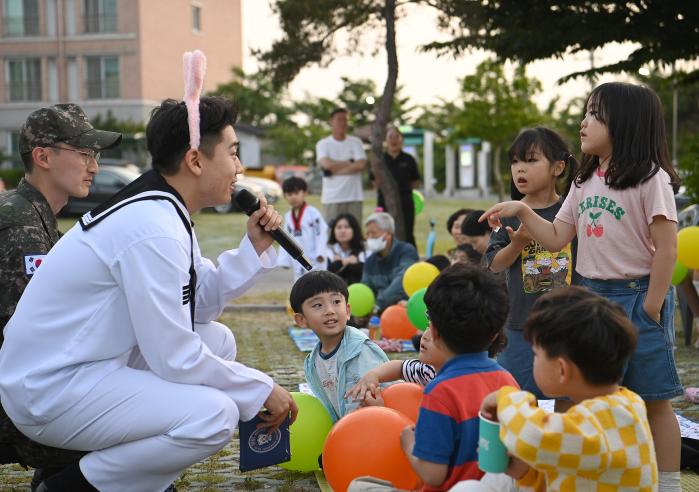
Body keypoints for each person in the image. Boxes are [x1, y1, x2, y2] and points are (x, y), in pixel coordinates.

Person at [0, 95, 298, 492]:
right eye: (233, 152)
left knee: (218, 341)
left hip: (85, 362)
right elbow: (174, 355)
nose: (240, 168)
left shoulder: (163, 209)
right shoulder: (153, 226)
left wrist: (252, 249)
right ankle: (69, 486)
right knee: (214, 415)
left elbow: (199, 306)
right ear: (195, 161)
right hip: (49, 387)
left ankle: (126, 476)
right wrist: (261, 387)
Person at [481, 81, 682, 492]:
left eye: (594, 114)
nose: (583, 122)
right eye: (586, 112)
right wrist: (521, 210)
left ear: (624, 124)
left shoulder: (649, 178)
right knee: (586, 392)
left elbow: (667, 248)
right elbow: (556, 236)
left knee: (654, 398)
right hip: (592, 295)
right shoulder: (584, 181)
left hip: (639, 294)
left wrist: (654, 305)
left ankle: (669, 483)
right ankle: (585, 473)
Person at [0, 104, 122, 490]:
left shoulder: (35, 218)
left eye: (95, 155)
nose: (95, 166)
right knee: (129, 433)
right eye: (84, 153)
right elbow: (29, 338)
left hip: (19, 387)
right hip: (12, 402)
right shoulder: (21, 227)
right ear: (43, 157)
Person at [348, 263, 518, 491]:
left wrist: (408, 443)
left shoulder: (440, 391)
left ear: (435, 330)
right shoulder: (508, 381)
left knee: (359, 486)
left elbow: (433, 475)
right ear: (494, 333)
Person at [470, 287, 656, 492]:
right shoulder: (625, 404)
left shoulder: (598, 422)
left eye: (536, 354)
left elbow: (532, 435)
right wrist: (525, 473)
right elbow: (572, 477)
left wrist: (507, 399)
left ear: (562, 370)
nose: (534, 360)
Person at [485, 127, 579, 401]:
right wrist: (517, 244)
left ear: (558, 167)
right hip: (520, 326)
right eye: (515, 162)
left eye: (530, 160)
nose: (519, 169)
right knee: (519, 398)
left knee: (567, 398)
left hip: (569, 323)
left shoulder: (571, 211)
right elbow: (493, 265)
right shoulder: (509, 212)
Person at [290, 270, 388, 422]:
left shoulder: (360, 350)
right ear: (301, 320)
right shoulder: (313, 362)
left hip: (375, 427)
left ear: (347, 311)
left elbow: (366, 404)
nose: (330, 311)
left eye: (336, 302)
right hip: (348, 430)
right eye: (318, 305)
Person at [370, 127, 421, 247]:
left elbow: (415, 181)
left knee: (407, 232)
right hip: (384, 202)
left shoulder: (409, 159)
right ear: (385, 141)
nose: (394, 140)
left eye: (396, 137)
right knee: (384, 231)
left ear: (401, 140)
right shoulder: (379, 160)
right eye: (390, 137)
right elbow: (374, 182)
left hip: (405, 202)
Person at [316, 107, 367, 223]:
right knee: (331, 235)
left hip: (354, 197)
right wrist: (349, 162)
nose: (343, 123)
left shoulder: (356, 142)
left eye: (345, 120)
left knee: (355, 235)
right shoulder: (323, 144)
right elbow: (327, 165)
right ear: (331, 122)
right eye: (339, 119)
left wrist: (335, 170)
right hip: (331, 198)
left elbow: (360, 165)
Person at [361, 212, 418, 312]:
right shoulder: (370, 261)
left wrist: (377, 306)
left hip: (403, 311)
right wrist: (362, 312)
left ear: (388, 234)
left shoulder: (406, 252)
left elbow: (402, 282)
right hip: (378, 315)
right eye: (367, 233)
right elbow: (365, 289)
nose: (369, 237)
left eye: (373, 233)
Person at [277, 176, 328, 280]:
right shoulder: (288, 217)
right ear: (285, 196)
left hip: (315, 259)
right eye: (289, 194)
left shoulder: (313, 213)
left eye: (296, 193)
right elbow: (285, 239)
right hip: (298, 262)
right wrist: (284, 260)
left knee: (318, 286)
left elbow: (321, 233)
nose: (293, 197)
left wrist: (320, 253)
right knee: (300, 289)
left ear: (305, 193)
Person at [327, 212, 367, 285]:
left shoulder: (365, 249)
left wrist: (341, 263)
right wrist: (344, 262)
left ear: (354, 229)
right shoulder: (329, 250)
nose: (342, 231)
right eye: (339, 227)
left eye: (347, 227)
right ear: (333, 231)